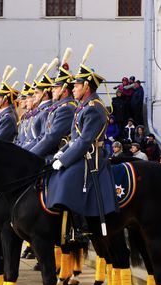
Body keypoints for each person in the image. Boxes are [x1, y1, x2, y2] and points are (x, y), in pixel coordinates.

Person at [47, 56, 117, 240]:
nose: (74, 89)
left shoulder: (94, 108)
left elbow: (85, 140)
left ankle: (81, 226)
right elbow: (74, 139)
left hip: (93, 157)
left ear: (86, 87)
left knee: (68, 178)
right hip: (82, 153)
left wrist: (64, 160)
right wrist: (61, 153)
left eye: (77, 86)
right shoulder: (82, 107)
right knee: (57, 174)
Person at [29, 61, 75, 161]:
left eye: (56, 87)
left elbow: (51, 137)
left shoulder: (66, 109)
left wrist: (29, 156)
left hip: (56, 157)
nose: (52, 90)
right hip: (48, 154)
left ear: (65, 90)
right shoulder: (59, 108)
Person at [23, 70, 54, 150]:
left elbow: (43, 137)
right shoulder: (40, 111)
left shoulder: (46, 111)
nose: (34, 96)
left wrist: (24, 150)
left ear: (45, 94)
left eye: (36, 93)